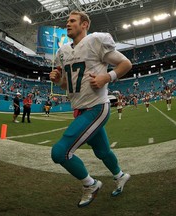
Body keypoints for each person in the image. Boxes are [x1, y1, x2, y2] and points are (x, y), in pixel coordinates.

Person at [49, 11, 132, 208]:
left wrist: (107, 77)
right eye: (67, 21)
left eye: (72, 21)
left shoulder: (95, 41)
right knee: (102, 151)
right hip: (79, 108)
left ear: (84, 24)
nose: (67, 24)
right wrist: (58, 80)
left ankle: (91, 184)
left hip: (96, 106)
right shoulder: (62, 52)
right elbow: (66, 86)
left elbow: (125, 64)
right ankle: (120, 176)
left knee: (60, 152)